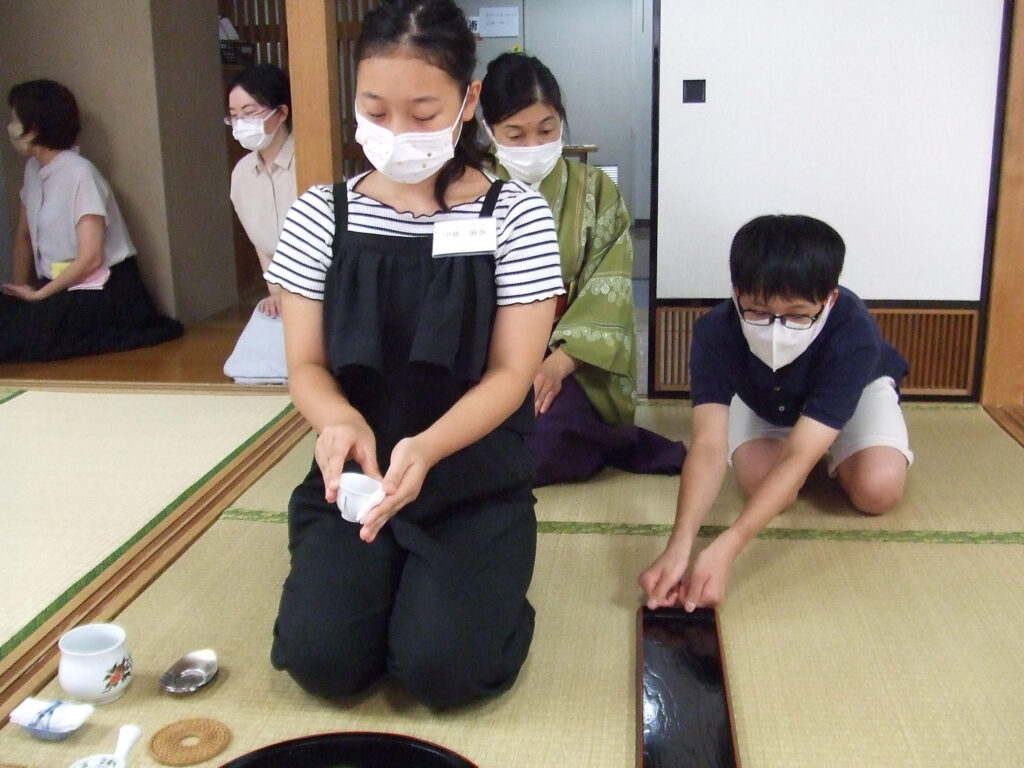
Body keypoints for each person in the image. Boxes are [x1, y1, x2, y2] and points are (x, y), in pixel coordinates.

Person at [265, 0, 564, 709]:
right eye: (376, 110)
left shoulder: (515, 215)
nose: (397, 132)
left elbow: (512, 373)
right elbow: (306, 365)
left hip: (469, 477)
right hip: (357, 478)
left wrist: (426, 449)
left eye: (424, 113)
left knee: (442, 670)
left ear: (469, 101)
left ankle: (481, 588)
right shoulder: (320, 213)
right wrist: (338, 420)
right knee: (321, 661)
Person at [639, 215, 912, 612]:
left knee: (878, 489)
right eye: (758, 312)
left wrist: (728, 547)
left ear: (830, 299)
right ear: (737, 293)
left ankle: (837, 451)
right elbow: (709, 445)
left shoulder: (855, 332)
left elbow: (799, 454)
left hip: (855, 395)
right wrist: (679, 546)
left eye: (798, 316)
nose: (776, 331)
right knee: (761, 485)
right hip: (764, 397)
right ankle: (815, 459)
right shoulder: (715, 332)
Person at [479, 53, 684, 486]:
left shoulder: (595, 191)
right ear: (488, 129)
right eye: (515, 134)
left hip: (565, 358)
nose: (533, 146)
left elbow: (610, 289)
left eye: (546, 130)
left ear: (561, 121)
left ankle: (600, 436)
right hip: (487, 356)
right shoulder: (466, 189)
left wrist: (555, 366)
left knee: (542, 445)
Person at [1, 79, 182, 362]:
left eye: (14, 120)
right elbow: (23, 236)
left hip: (102, 288)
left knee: (25, 337)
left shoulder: (80, 174)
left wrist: (39, 297)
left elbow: (91, 258)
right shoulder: (33, 170)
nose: (10, 127)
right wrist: (19, 294)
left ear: (34, 128)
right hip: (58, 286)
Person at [222, 64, 295, 383]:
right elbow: (261, 242)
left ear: (281, 113)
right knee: (246, 371)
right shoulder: (241, 174)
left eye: (250, 113)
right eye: (234, 116)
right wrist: (275, 292)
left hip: (326, 290)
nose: (241, 124)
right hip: (284, 292)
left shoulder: (312, 161)